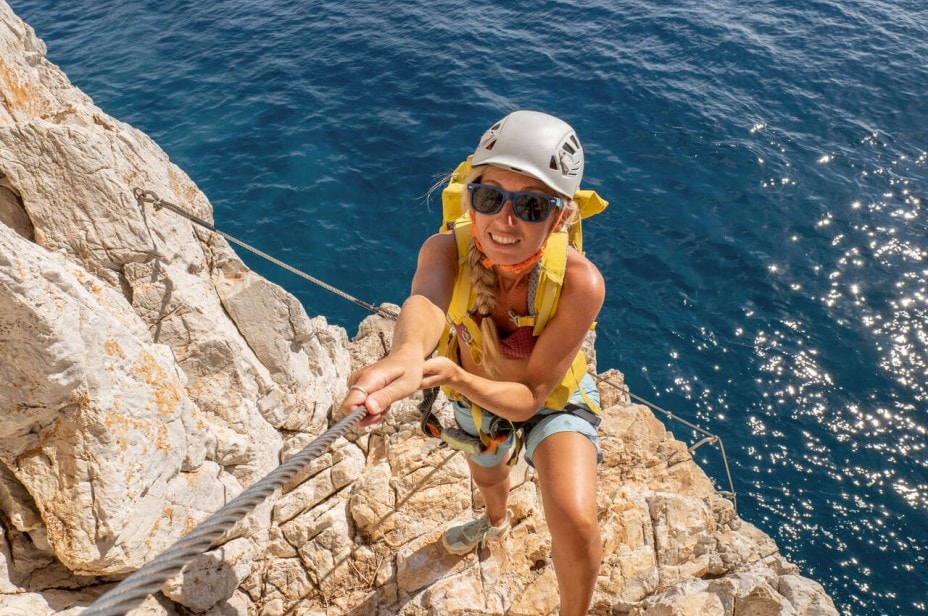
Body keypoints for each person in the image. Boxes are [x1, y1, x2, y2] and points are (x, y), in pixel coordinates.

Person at [340, 110, 605, 615]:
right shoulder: (445, 251)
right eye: (489, 198)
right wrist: (407, 355)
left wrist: (456, 375)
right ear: (469, 199)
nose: (505, 220)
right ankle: (494, 521)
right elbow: (426, 304)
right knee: (488, 479)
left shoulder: (580, 282)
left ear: (560, 218)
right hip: (474, 397)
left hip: (550, 398)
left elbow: (529, 398)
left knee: (575, 519)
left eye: (531, 206)